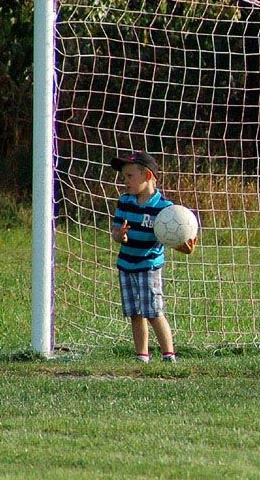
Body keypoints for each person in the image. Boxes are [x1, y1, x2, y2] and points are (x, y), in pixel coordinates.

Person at [109, 151, 196, 362]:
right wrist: (119, 236)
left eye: (130, 176)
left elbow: (172, 240)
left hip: (148, 267)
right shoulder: (124, 202)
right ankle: (142, 355)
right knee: (135, 314)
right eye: (123, 177)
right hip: (126, 266)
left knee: (153, 312)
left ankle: (168, 355)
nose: (125, 181)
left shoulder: (165, 210)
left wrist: (185, 248)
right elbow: (116, 232)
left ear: (147, 176)